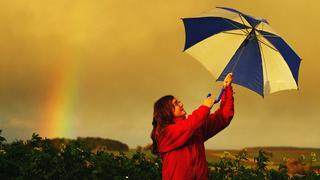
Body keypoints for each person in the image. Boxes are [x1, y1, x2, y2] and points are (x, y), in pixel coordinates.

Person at [150, 73, 234, 180]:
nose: (181, 104)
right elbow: (187, 126)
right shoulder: (164, 133)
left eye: (179, 101)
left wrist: (227, 89)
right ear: (166, 111)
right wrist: (205, 107)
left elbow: (223, 117)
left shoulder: (194, 127)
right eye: (176, 104)